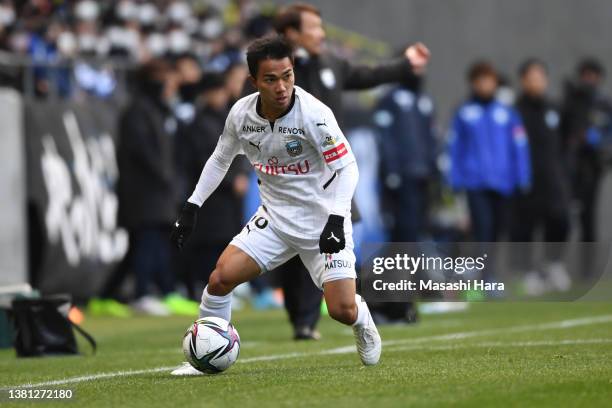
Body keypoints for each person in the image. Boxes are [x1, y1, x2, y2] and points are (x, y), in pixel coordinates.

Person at [169, 36, 381, 374]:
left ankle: (363, 320)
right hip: (275, 220)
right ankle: (205, 355)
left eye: (287, 75)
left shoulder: (314, 114)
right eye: (271, 79)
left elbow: (347, 167)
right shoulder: (240, 114)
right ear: (253, 82)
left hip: (323, 221)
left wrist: (337, 219)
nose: (282, 86)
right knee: (220, 278)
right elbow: (220, 159)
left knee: (342, 310)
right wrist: (192, 206)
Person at [270, 2, 430, 339]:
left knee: (338, 240)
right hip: (291, 174)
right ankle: (302, 319)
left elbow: (366, 75)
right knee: (293, 247)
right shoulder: (274, 71)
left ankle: (352, 308)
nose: (321, 33)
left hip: (330, 173)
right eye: (313, 27)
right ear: (291, 34)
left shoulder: (330, 64)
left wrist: (405, 66)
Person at [116, 59, 197, 316]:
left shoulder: (159, 111)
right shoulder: (137, 111)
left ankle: (163, 290)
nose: (170, 85)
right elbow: (143, 152)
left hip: (159, 193)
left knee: (155, 243)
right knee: (146, 241)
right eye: (165, 79)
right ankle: (140, 293)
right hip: (142, 192)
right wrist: (165, 175)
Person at [448, 61, 531, 281]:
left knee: (498, 230)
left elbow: (519, 146)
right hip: (476, 182)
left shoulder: (507, 113)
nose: (485, 85)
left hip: (504, 182)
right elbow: (455, 147)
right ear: (473, 84)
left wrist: (523, 176)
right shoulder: (465, 113)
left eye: (489, 80)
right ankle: (486, 277)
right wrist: (455, 178)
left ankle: (489, 271)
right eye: (480, 81)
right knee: (482, 229)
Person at [512, 59, 571, 294]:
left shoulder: (554, 109)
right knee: (524, 228)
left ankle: (553, 264)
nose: (537, 82)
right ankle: (528, 274)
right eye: (532, 77)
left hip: (552, 177)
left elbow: (565, 141)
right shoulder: (515, 111)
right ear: (523, 80)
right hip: (525, 180)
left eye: (540, 77)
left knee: (560, 220)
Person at [560, 58, 612, 244]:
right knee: (564, 215)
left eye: (593, 75)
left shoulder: (604, 104)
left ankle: (588, 268)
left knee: (588, 216)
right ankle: (556, 263)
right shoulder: (571, 100)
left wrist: (595, 140)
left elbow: (608, 135)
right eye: (585, 75)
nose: (589, 80)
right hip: (570, 165)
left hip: (593, 166)